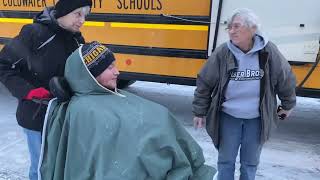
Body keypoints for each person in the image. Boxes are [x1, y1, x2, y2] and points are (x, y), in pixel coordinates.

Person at [38, 41, 216, 180]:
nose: (117, 72)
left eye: (114, 65)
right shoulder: (85, 111)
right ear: (90, 75)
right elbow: (105, 161)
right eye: (109, 68)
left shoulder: (108, 93)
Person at [192, 8, 296, 180]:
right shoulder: (223, 52)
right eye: (230, 27)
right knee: (226, 161)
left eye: (237, 27)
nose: (231, 31)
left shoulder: (268, 51)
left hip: (257, 119)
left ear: (253, 29)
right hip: (228, 117)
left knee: (250, 163)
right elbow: (205, 82)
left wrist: (287, 105)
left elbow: (285, 78)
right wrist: (199, 111)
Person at [0, 0, 92, 179]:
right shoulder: (34, 34)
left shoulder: (76, 39)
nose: (82, 21)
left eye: (85, 16)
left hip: (66, 116)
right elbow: (3, 65)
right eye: (78, 14)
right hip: (38, 114)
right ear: (63, 12)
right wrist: (28, 91)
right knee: (41, 167)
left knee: (61, 167)